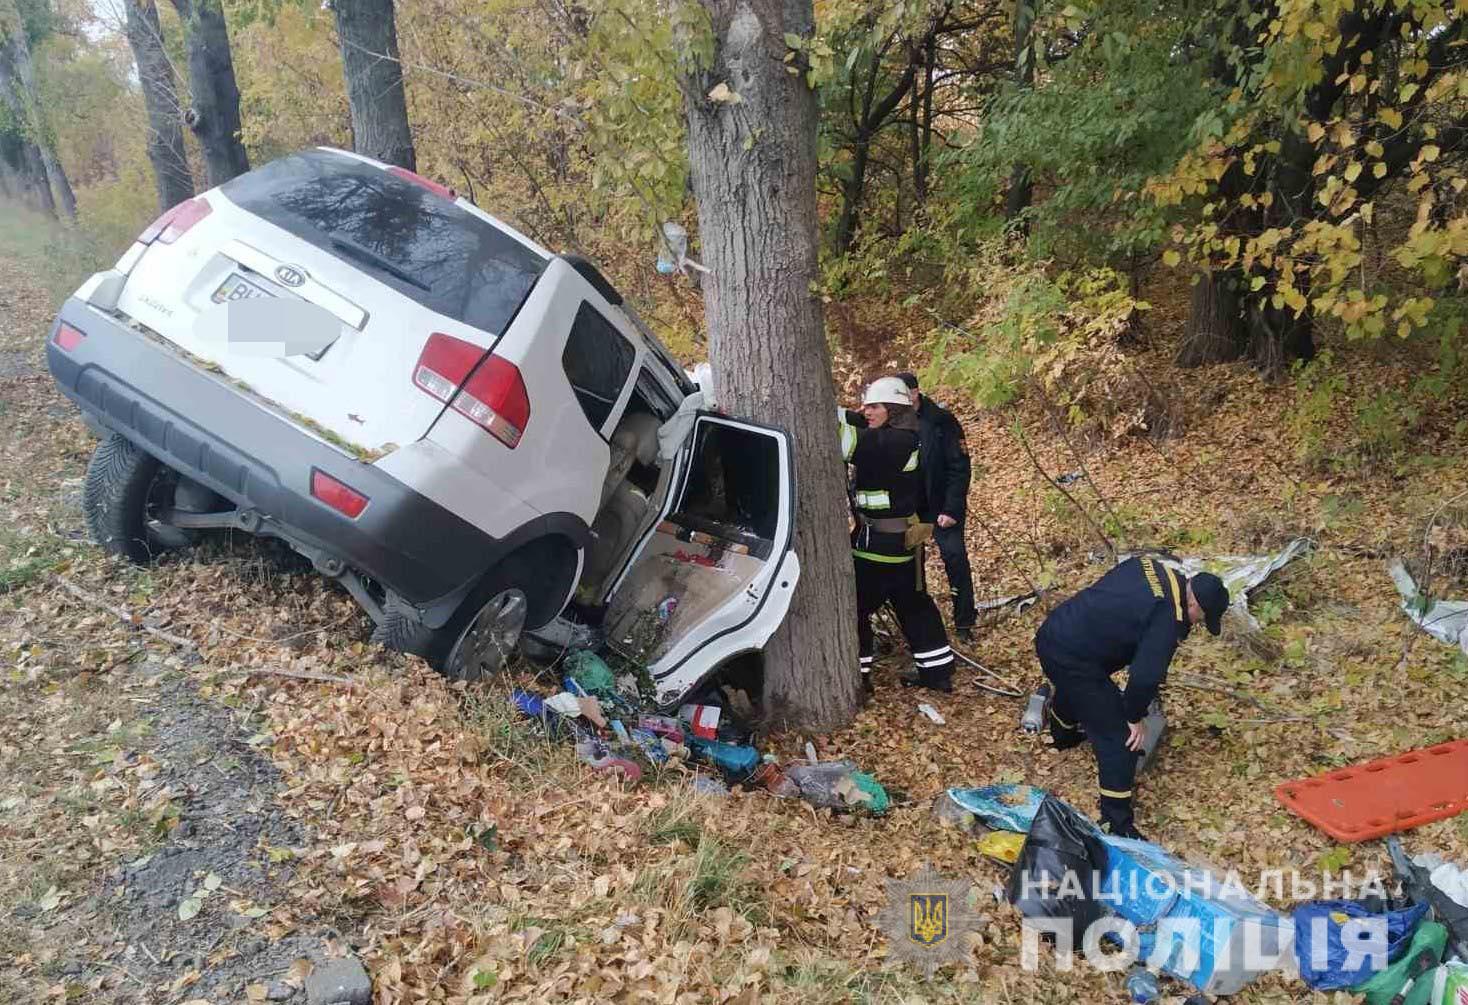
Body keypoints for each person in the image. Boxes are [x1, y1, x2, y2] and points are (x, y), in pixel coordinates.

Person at [1034, 556, 1229, 838]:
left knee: (1080, 690)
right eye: (1202, 619)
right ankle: (1116, 823)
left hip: (1056, 632)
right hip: (1075, 659)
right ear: (1195, 605)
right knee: (1122, 739)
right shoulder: (1168, 618)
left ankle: (1063, 736)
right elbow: (1145, 676)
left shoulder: (1151, 566)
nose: (1198, 623)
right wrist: (1133, 716)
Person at [840, 376, 956, 694]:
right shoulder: (903, 436)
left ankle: (858, 676)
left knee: (854, 607)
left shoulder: (894, 442)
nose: (866, 412)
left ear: (892, 410)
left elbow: (845, 441)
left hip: (878, 547)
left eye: (874, 406)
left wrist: (823, 413)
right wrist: (846, 413)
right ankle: (937, 672)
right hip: (901, 544)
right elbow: (861, 427)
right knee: (914, 604)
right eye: (864, 406)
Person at [894, 372, 976, 641]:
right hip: (912, 510)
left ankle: (964, 622)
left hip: (941, 506)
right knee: (912, 567)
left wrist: (951, 509)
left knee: (955, 558)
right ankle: (921, 626)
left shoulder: (941, 421)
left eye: (905, 393)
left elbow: (959, 467)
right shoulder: (894, 423)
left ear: (915, 392)